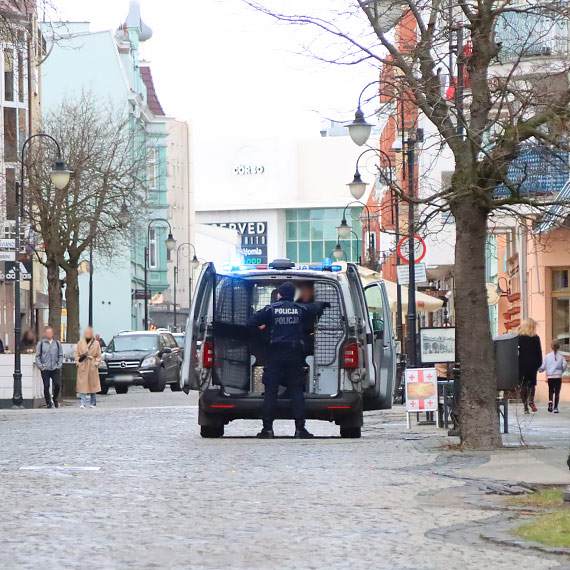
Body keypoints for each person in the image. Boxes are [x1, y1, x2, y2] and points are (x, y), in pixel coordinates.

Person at [248, 282, 329, 439]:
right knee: (297, 390)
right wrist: (323, 304)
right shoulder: (300, 309)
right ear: (292, 296)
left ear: (279, 294)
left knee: (270, 391)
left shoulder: (270, 309)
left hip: (275, 353)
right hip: (294, 354)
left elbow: (251, 323)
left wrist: (264, 338)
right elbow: (314, 308)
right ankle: (300, 429)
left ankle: (268, 429)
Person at [518, 318, 543, 414]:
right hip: (533, 364)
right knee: (532, 384)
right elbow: (539, 352)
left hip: (522, 364)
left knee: (523, 384)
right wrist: (539, 364)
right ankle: (531, 400)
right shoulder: (536, 338)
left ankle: (525, 406)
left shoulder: (519, 338)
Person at [35, 326, 63, 409]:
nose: (49, 334)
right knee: (46, 386)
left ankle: (55, 399)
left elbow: (60, 355)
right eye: (47, 332)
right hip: (45, 368)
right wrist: (41, 366)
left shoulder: (57, 343)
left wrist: (59, 365)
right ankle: (48, 403)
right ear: (45, 334)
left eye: (50, 332)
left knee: (57, 385)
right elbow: (38, 356)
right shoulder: (41, 344)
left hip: (55, 368)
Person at [75, 327, 102, 408]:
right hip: (83, 365)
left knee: (93, 385)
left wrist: (96, 363)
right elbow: (77, 354)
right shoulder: (80, 343)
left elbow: (99, 355)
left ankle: (92, 402)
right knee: (82, 385)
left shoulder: (96, 343)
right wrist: (78, 363)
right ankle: (82, 403)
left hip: (92, 365)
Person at [539, 340, 567, 413]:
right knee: (557, 392)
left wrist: (540, 370)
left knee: (551, 390)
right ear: (559, 346)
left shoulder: (548, 356)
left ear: (551, 346)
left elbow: (544, 366)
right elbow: (564, 365)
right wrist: (561, 371)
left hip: (550, 377)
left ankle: (550, 401)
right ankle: (555, 408)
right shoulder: (561, 356)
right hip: (558, 377)